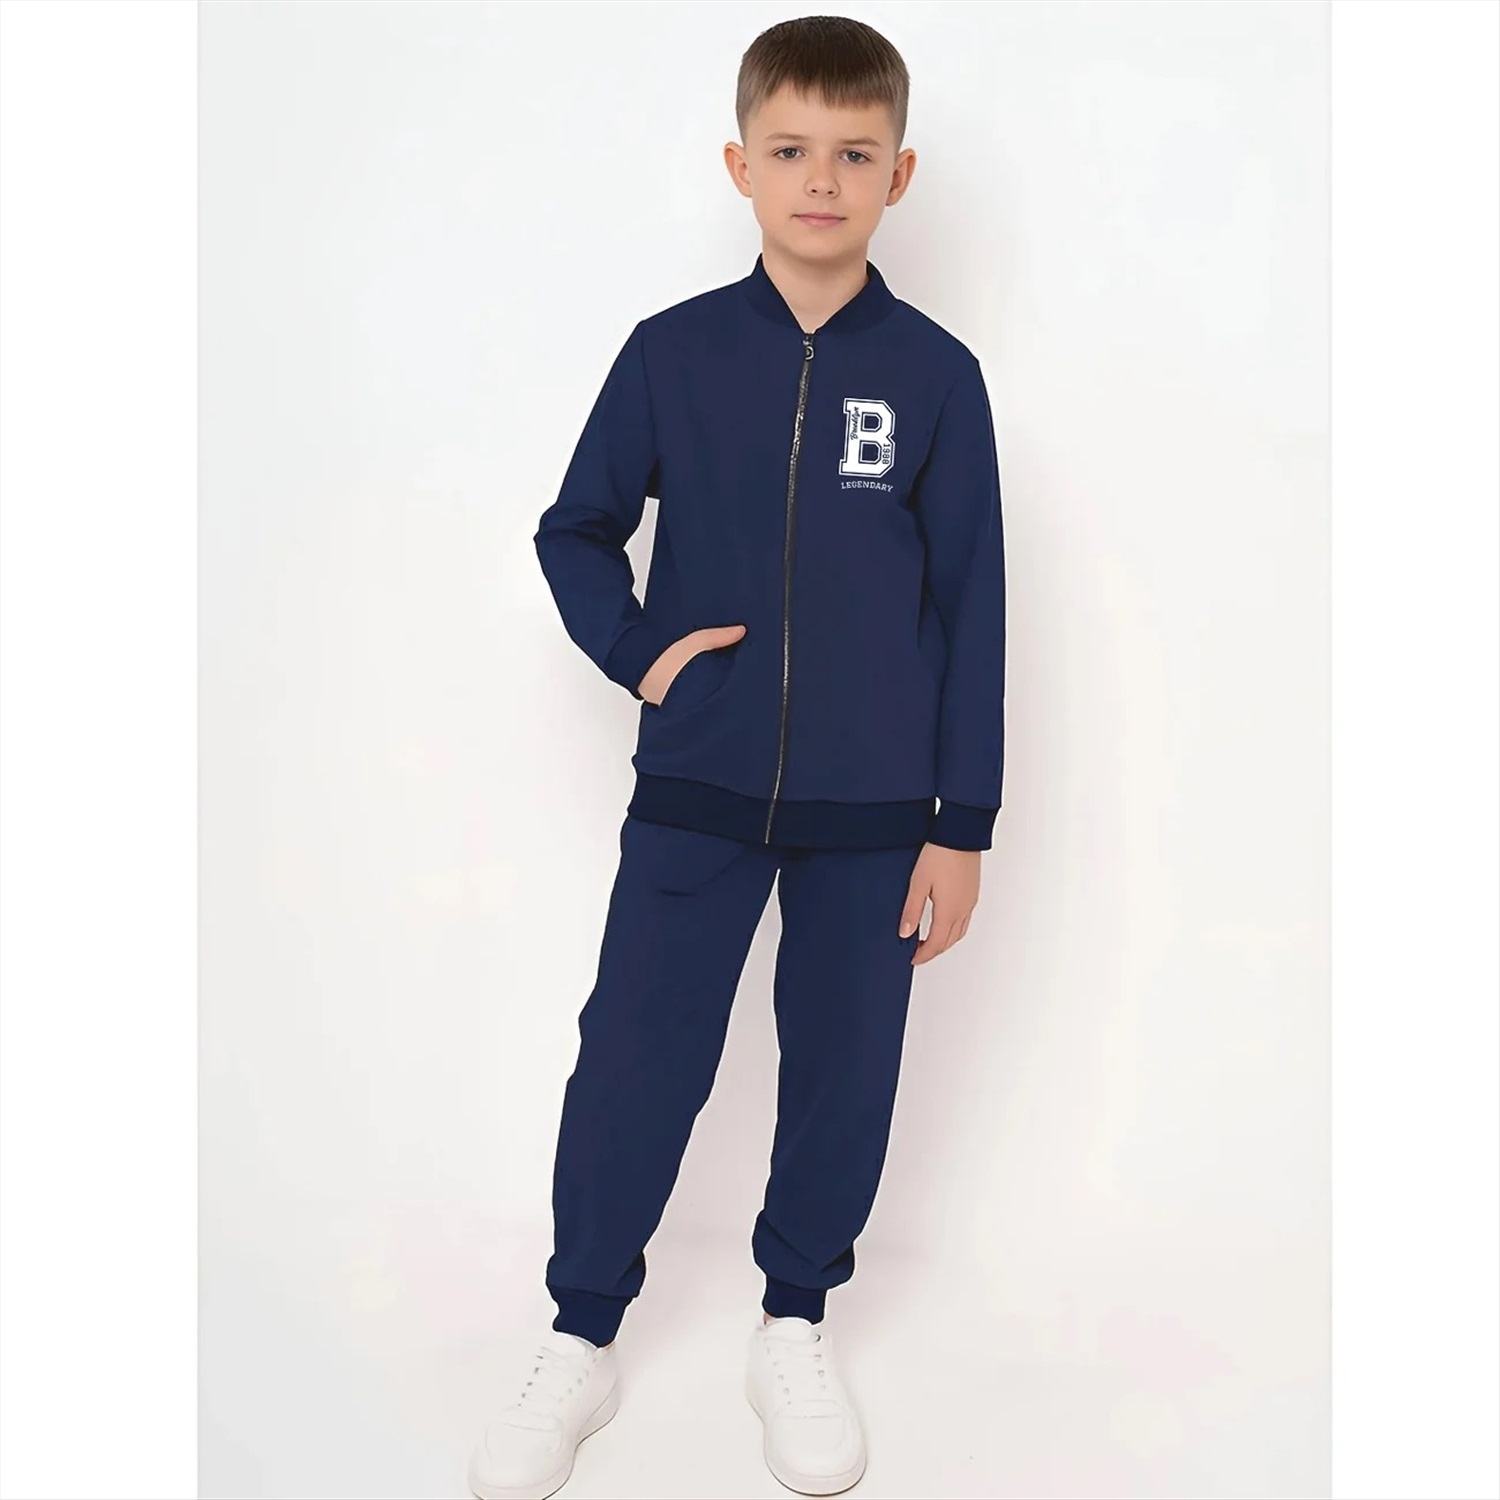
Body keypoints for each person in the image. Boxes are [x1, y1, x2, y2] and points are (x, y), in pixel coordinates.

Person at [468, 14, 1006, 1499]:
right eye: (790, 151)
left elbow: (974, 605)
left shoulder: (938, 378)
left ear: (898, 176)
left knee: (845, 1067)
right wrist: (642, 654)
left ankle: (795, 1320)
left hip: (876, 811)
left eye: (853, 155)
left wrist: (963, 822)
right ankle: (580, 1335)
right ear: (740, 166)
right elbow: (575, 530)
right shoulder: (675, 354)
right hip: (697, 787)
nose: (820, 180)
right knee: (635, 1056)